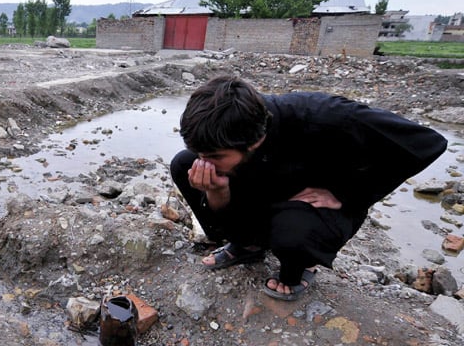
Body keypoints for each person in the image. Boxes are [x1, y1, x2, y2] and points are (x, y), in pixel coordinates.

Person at [170, 74, 448, 300]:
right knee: (183, 165)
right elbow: (214, 185)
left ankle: (297, 268)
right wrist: (216, 190)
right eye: (201, 153)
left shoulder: (327, 116)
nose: (204, 163)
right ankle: (247, 246)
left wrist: (347, 194)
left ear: (253, 142)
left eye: (214, 157)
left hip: (317, 204)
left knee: (293, 233)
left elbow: (427, 144)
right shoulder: (226, 135)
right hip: (265, 190)